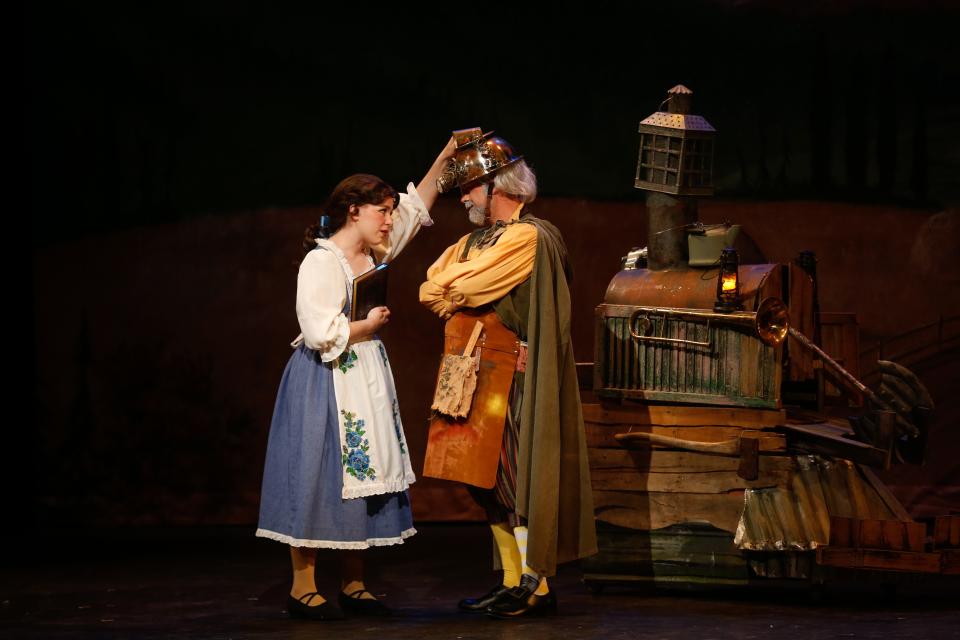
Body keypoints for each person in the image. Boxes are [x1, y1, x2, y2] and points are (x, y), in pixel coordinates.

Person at [257, 138, 456, 621]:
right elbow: (317, 329)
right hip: (324, 378)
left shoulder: (378, 250)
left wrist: (447, 156)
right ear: (354, 211)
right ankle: (303, 586)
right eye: (381, 212)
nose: (390, 220)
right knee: (319, 471)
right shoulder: (322, 261)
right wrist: (364, 326)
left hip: (363, 375)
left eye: (389, 212)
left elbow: (418, 207)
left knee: (362, 478)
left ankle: (354, 583)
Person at [419, 130, 597, 619]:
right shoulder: (474, 239)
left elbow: (470, 288)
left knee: (514, 480)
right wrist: (451, 287)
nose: (465, 196)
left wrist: (454, 287)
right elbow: (430, 286)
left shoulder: (529, 236)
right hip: (472, 368)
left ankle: (534, 583)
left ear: (499, 186)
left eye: (472, 186)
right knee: (483, 482)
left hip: (510, 372)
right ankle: (512, 579)